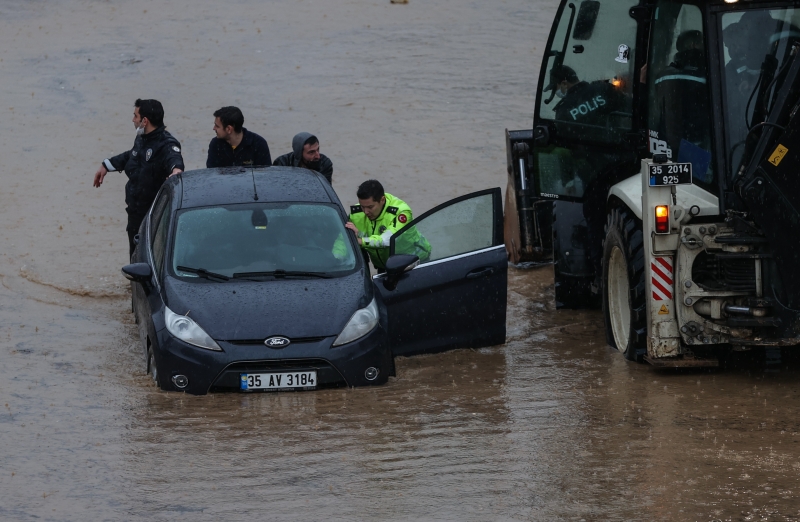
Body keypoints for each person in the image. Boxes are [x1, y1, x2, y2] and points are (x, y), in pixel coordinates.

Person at [93, 99, 184, 258]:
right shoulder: (141, 139)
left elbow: (174, 159)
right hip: (135, 213)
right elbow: (132, 156)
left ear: (145, 121)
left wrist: (176, 170)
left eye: (135, 116)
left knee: (151, 258)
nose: (133, 120)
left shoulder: (166, 144)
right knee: (134, 258)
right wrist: (106, 165)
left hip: (153, 217)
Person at [345, 180, 430, 272]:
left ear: (382, 200)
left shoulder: (401, 212)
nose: (365, 212)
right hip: (385, 266)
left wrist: (360, 241)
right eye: (362, 207)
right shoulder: (356, 214)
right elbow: (342, 243)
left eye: (370, 207)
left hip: (414, 262)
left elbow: (388, 239)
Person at [547, 65, 625, 125]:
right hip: (617, 140)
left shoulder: (564, 110)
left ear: (564, 84)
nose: (555, 92)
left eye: (555, 89)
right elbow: (628, 105)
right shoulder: (604, 88)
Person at [206, 106, 272, 168]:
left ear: (229, 129)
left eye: (217, 126)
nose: (214, 128)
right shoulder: (215, 144)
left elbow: (266, 174)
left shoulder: (259, 144)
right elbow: (211, 173)